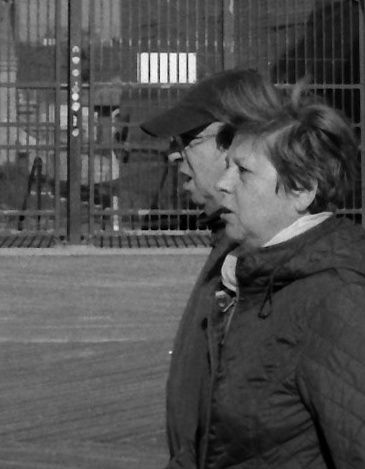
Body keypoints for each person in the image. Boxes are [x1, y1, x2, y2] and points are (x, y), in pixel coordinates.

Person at [202, 79, 365, 468]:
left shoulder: (343, 301)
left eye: (243, 171)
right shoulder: (249, 275)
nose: (222, 183)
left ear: (301, 189)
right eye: (227, 165)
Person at [140, 68, 282, 469]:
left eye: (188, 140)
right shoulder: (233, 247)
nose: (174, 155)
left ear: (237, 143)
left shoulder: (276, 260)